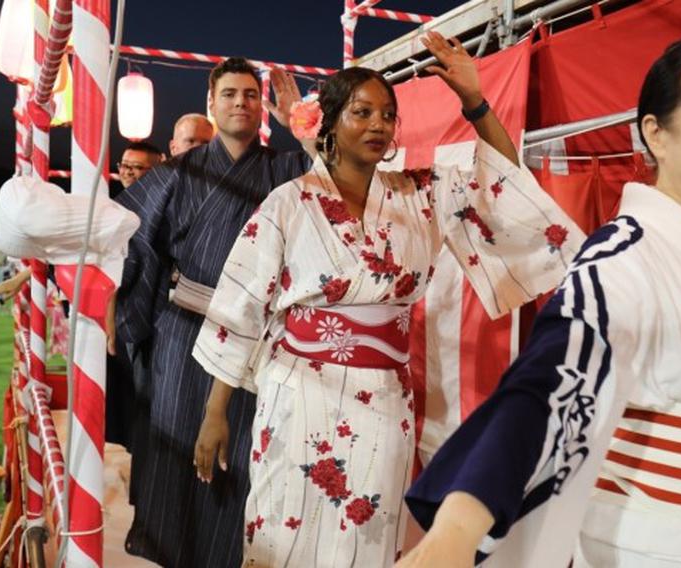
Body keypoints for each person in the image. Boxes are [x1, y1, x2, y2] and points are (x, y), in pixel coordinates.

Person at [398, 33, 681, 568]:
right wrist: (454, 532)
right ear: (655, 135)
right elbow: (550, 379)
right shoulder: (625, 260)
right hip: (662, 550)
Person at [191, 31, 584, 567]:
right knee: (285, 531)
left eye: (387, 114)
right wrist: (216, 411)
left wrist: (475, 100)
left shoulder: (422, 193)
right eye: (361, 112)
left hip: (383, 401)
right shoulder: (291, 202)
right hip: (298, 393)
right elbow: (240, 306)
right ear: (329, 123)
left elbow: (503, 184)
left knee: (368, 536)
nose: (377, 124)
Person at [112, 57, 312, 568]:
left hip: (252, 339)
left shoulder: (287, 169)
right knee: (176, 445)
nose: (240, 103)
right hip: (182, 334)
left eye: (249, 94)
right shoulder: (176, 174)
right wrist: (116, 304)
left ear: (261, 106)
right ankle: (171, 553)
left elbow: (339, 180)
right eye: (229, 94)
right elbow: (125, 236)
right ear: (211, 103)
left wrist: (304, 129)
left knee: (240, 455)